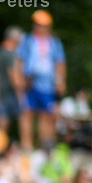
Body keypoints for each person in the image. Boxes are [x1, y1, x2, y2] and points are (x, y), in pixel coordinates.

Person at [13, 10, 66, 150]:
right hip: (29, 81)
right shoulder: (27, 40)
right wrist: (18, 78)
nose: (40, 28)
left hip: (48, 83)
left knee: (47, 114)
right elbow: (19, 60)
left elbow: (60, 63)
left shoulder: (54, 42)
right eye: (37, 24)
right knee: (26, 112)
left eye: (43, 25)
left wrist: (60, 81)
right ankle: (27, 145)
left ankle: (44, 145)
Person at [0, 26, 23, 134]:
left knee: (1, 120)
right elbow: (12, 73)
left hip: (0, 91)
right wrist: (20, 90)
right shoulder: (11, 53)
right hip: (10, 91)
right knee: (22, 118)